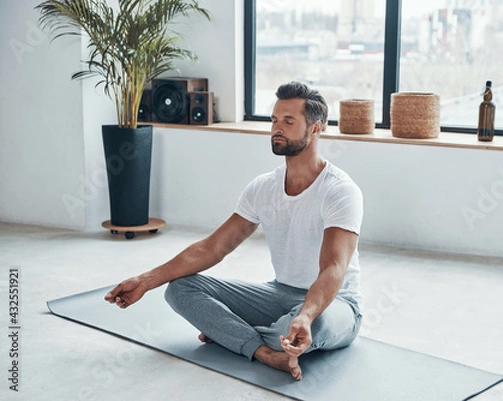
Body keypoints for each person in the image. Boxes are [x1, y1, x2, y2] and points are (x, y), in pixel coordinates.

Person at [104, 81, 364, 381]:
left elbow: (334, 267)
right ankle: (265, 353)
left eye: (289, 121)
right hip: (279, 293)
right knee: (179, 289)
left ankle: (237, 334)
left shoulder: (340, 191)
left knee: (313, 326)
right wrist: (145, 280)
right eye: (274, 120)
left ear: (317, 128)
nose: (277, 128)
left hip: (336, 304)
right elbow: (213, 248)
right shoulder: (263, 187)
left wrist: (305, 316)